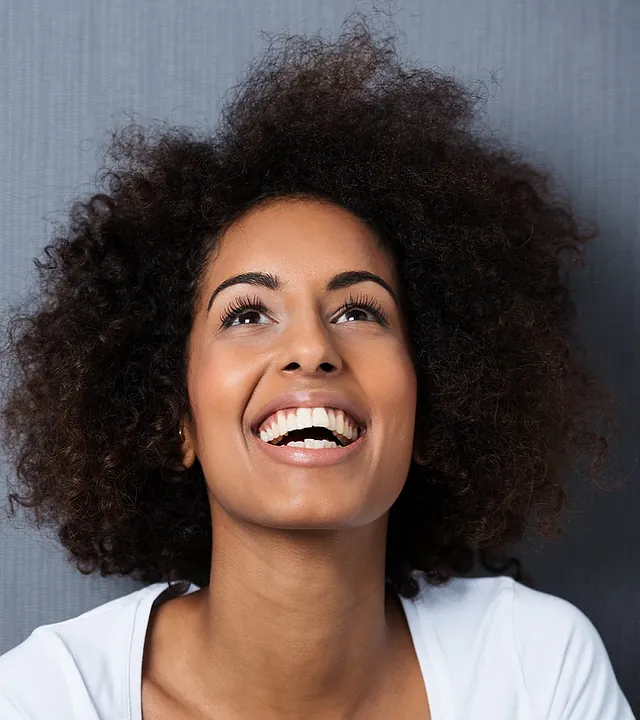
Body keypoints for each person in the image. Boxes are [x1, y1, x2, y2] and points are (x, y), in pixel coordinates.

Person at [0, 10, 634, 720]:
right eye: (246, 314)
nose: (312, 349)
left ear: (434, 403)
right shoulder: (44, 700)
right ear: (175, 418)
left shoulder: (535, 668)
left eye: (359, 311)